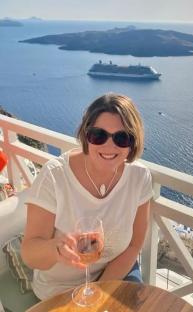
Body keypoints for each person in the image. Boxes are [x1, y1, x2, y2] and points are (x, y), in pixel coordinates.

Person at [21, 93, 153, 300]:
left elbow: (135, 245)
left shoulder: (139, 177)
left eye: (122, 138)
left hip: (115, 273)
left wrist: (98, 290)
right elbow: (30, 253)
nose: (109, 147)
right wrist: (56, 249)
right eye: (98, 135)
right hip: (60, 289)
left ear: (133, 142)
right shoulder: (55, 176)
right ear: (85, 135)